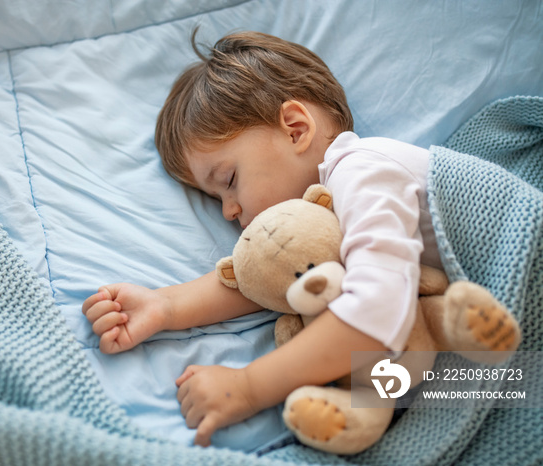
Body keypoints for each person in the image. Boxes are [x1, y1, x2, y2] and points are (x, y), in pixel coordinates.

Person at [82, 30, 443, 447]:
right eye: (214, 197)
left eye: (229, 180)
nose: (228, 211)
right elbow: (274, 271)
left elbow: (376, 312)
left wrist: (250, 386)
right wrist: (165, 306)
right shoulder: (323, 218)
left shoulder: (364, 173)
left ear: (294, 129)